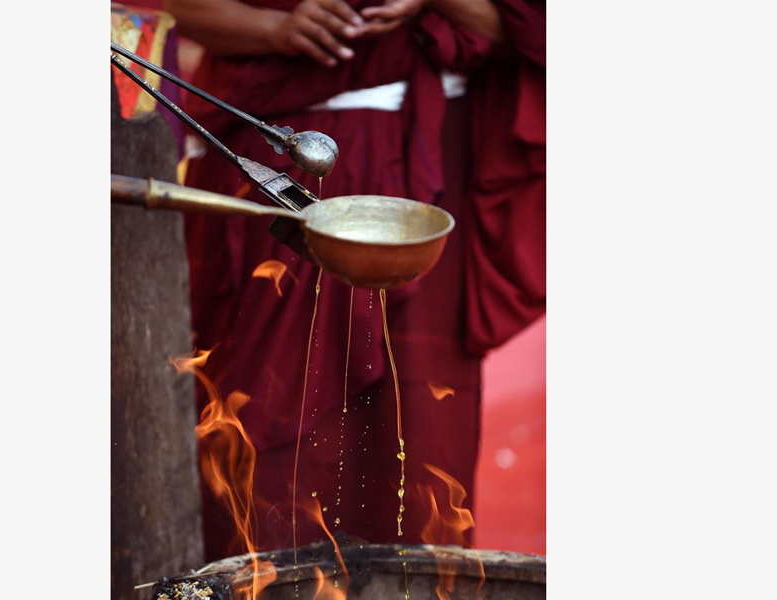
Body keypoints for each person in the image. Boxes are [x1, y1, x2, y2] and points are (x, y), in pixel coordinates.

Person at [163, 0, 545, 561]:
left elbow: (533, 26)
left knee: (422, 437)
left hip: (431, 178)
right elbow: (183, 10)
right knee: (263, 433)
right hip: (279, 172)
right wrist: (280, 28)